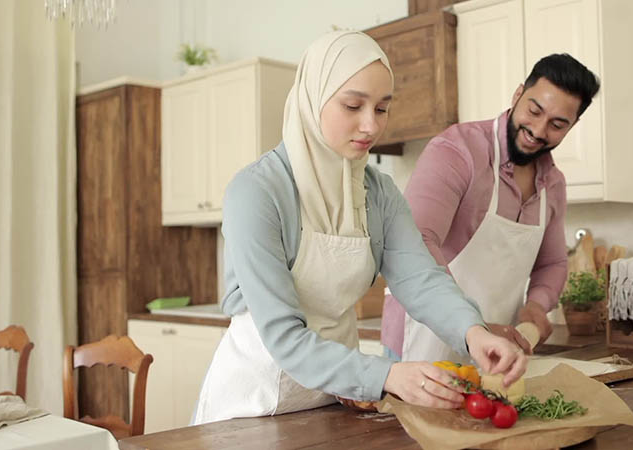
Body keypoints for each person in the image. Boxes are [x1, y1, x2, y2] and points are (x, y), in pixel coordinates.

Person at [192, 31, 527, 424]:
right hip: (249, 403)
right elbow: (282, 335)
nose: (370, 125)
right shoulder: (256, 192)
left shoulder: (378, 192)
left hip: (335, 395)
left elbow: (421, 279)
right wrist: (385, 375)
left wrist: (474, 333)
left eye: (382, 109)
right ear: (313, 98)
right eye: (353, 105)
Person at [380, 54, 600, 363]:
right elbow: (416, 243)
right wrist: (471, 325)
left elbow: (551, 264)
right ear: (517, 94)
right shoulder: (457, 150)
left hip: (496, 349)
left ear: (572, 126)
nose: (538, 130)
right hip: (423, 338)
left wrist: (536, 305)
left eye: (557, 124)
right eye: (534, 110)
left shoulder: (553, 184)